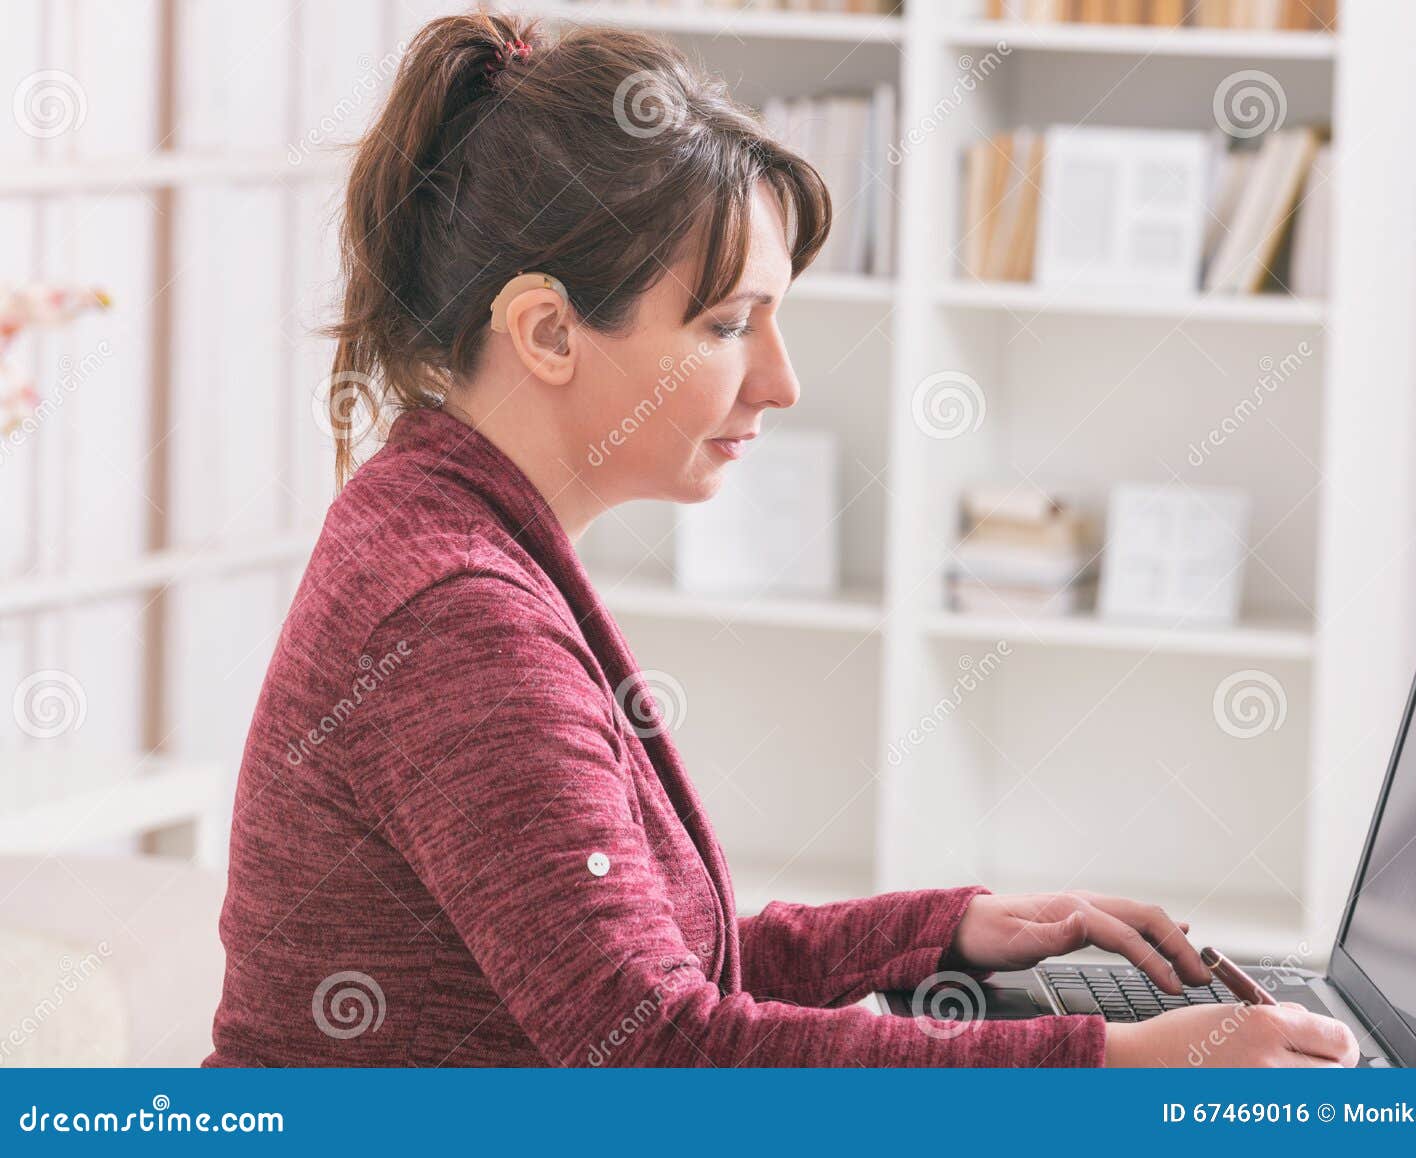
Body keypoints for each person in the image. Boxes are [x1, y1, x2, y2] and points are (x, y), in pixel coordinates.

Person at [204, 12, 1357, 1068]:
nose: (782, 380)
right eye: (726, 325)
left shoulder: (446, 525)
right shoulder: (459, 616)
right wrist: (1112, 1065)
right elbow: (659, 1054)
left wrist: (942, 930)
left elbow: (643, 977)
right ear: (548, 330)